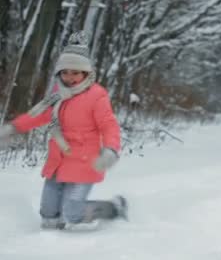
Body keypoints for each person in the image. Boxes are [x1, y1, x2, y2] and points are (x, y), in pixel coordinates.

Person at [0, 33, 127, 230]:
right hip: (58, 161)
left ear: (86, 73)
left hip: (85, 162)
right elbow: (39, 115)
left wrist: (111, 149)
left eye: (75, 73)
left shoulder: (97, 96)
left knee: (72, 213)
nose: (69, 77)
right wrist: (14, 128)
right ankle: (54, 241)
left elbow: (109, 124)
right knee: (48, 216)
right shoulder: (57, 95)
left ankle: (113, 208)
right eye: (65, 72)